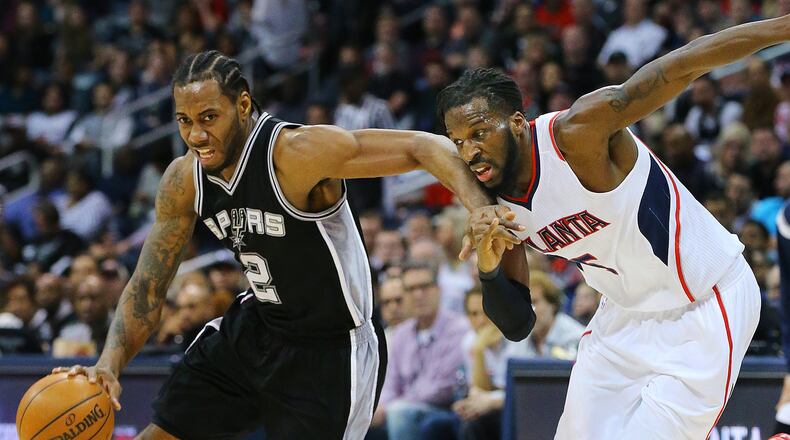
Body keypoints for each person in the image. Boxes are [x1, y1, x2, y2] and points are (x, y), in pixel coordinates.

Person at [56, 50, 519, 440]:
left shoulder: (296, 154)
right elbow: (147, 287)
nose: (196, 135)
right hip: (255, 330)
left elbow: (424, 146)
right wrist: (109, 363)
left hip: (332, 349)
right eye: (184, 121)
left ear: (242, 105)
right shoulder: (185, 180)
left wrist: (479, 206)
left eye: (208, 118)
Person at [442, 15, 790, 439]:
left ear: (517, 122)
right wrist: (489, 266)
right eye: (459, 141)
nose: (470, 151)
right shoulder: (497, 206)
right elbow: (517, 326)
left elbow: (683, 64)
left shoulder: (578, 133)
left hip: (704, 301)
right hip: (622, 317)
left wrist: (782, 29)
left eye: (479, 133)